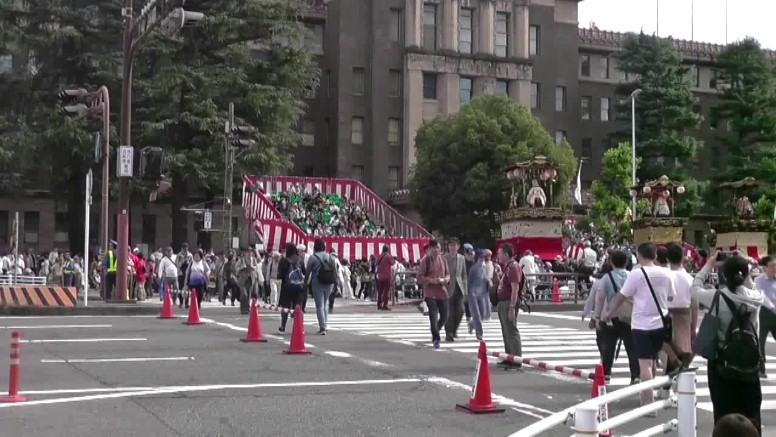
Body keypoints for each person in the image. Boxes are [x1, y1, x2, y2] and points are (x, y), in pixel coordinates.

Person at [690, 252, 763, 434]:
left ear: (723, 275)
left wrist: (708, 264)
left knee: (723, 414)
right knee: (751, 413)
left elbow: (694, 289)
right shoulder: (755, 298)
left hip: (721, 362)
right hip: (749, 361)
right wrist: (742, 265)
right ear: (745, 275)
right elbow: (748, 284)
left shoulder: (717, 296)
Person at [603, 242, 676, 408]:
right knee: (653, 359)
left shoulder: (637, 274)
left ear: (640, 255)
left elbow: (622, 296)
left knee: (644, 363)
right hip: (660, 323)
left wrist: (610, 312)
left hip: (641, 324)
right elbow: (671, 296)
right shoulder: (666, 273)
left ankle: (648, 400)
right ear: (655, 256)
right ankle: (651, 394)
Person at [592, 250, 639, 384]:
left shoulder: (607, 278)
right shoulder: (633, 276)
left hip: (612, 317)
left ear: (611, 262)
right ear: (626, 262)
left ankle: (606, 373)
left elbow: (600, 299)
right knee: (632, 347)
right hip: (631, 316)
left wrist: (597, 317)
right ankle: (635, 375)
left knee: (609, 345)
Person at [416, 239, 450, 349]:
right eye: (434, 248)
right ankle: (436, 338)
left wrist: (445, 279)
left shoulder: (443, 260)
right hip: (430, 292)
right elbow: (419, 277)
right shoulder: (425, 261)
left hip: (442, 291)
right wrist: (431, 280)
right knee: (433, 315)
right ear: (429, 249)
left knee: (445, 315)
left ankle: (436, 330)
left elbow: (448, 274)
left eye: (438, 248)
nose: (436, 250)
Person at [496, 243, 523, 370]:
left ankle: (517, 360)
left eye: (500, 253)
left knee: (511, 330)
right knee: (506, 331)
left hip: (509, 302)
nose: (498, 256)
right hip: (503, 302)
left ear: (506, 254)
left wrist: (512, 306)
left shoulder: (513, 267)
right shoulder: (507, 267)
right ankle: (509, 357)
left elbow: (515, 288)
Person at [307, 238, 334, 335]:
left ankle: (322, 327)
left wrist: (305, 282)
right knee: (325, 303)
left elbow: (308, 272)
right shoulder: (329, 256)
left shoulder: (313, 257)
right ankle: (325, 325)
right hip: (329, 282)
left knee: (319, 305)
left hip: (317, 282)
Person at [277, 243, 306, 334]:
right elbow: (304, 273)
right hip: (298, 287)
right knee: (298, 308)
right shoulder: (299, 261)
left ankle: (283, 326)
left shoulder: (283, 261)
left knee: (285, 307)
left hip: (287, 288)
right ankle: (300, 327)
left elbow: (280, 275)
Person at [444, 238, 468, 342]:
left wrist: (466, 289)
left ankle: (454, 330)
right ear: (448, 247)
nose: (453, 247)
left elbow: (464, 275)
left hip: (459, 287)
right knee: (449, 312)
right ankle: (448, 333)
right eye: (451, 245)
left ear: (458, 246)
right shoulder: (444, 258)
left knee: (460, 311)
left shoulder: (462, 258)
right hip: (448, 287)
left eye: (455, 245)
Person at [756, 255, 776, 378]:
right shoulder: (759, 280)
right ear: (764, 268)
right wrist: (773, 308)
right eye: (772, 266)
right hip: (764, 313)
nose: (774, 268)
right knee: (760, 341)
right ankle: (761, 368)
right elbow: (761, 296)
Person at [467, 249, 490, 340]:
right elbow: (469, 282)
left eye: (483, 258)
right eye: (480, 258)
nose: (481, 259)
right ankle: (479, 334)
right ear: (477, 259)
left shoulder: (485, 269)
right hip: (473, 294)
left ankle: (472, 324)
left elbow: (486, 281)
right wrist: (468, 293)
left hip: (482, 294)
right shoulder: (473, 269)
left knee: (483, 314)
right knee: (476, 314)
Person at [375, 245, 395, 311]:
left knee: (380, 291)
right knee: (386, 291)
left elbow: (377, 264)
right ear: (388, 249)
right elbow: (392, 264)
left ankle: (379, 304)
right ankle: (385, 305)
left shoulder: (379, 256)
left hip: (380, 276)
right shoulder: (388, 256)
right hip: (386, 276)